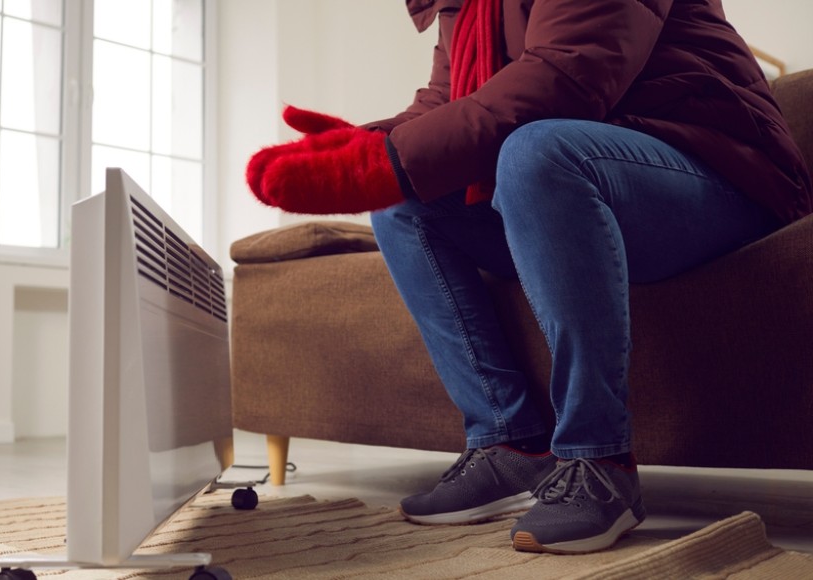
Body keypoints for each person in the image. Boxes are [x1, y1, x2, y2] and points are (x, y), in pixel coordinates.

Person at [245, 0, 812, 554]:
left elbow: (565, 76)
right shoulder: (463, 6)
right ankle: (506, 440)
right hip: (599, 173)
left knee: (538, 150)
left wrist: (385, 159)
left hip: (720, 175)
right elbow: (446, 103)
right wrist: (365, 146)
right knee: (403, 203)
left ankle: (600, 461)